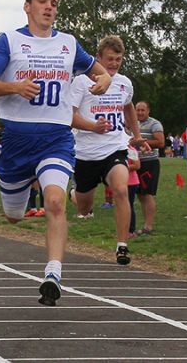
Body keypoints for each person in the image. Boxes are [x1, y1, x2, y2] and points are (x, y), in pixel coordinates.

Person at [0, 0, 111, 306]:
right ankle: (16, 195)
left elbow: (97, 70)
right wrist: (14, 87)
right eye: (42, 1)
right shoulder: (9, 41)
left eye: (54, 3)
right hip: (17, 141)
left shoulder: (68, 43)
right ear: (27, 6)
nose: (49, 7)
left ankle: (53, 273)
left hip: (56, 138)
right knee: (13, 215)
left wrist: (105, 77)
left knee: (54, 201)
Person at [70, 35, 147, 265]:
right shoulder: (81, 82)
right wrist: (93, 126)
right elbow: (69, 116)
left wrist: (136, 135)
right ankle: (74, 194)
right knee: (84, 208)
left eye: (118, 59)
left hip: (115, 148)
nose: (114, 64)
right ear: (98, 58)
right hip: (86, 153)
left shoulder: (124, 83)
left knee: (121, 189)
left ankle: (122, 245)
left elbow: (128, 106)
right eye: (110, 59)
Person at [135, 101, 164, 235]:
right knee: (140, 194)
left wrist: (142, 142)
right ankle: (145, 224)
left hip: (149, 162)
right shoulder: (133, 123)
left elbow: (160, 142)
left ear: (148, 111)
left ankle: (148, 226)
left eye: (143, 110)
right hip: (136, 162)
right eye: (138, 110)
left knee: (147, 194)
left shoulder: (154, 124)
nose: (140, 113)